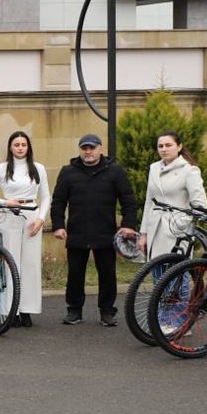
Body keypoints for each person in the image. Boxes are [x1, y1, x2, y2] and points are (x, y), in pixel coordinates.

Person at [49, 133, 137, 328]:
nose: (88, 152)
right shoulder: (68, 172)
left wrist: (128, 225)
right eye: (84, 148)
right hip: (77, 232)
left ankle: (107, 312)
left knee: (107, 275)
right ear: (80, 150)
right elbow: (58, 201)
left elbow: (128, 200)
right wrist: (58, 226)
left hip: (105, 233)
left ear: (100, 149)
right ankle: (74, 310)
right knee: (75, 274)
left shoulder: (115, 171)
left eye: (92, 148)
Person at [0, 131, 51, 327]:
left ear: (28, 147)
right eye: (16, 144)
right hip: (9, 215)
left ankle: (27, 309)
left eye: (23, 144)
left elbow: (46, 196)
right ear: (10, 147)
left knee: (31, 264)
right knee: (10, 263)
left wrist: (41, 218)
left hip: (31, 216)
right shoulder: (0, 168)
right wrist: (5, 202)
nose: (20, 148)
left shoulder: (38, 168)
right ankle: (11, 310)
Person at [137, 132, 207, 263]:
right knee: (157, 271)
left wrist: (182, 223)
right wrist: (144, 233)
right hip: (155, 229)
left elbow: (200, 205)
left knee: (177, 271)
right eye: (160, 146)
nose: (164, 149)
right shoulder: (154, 168)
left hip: (177, 232)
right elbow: (149, 202)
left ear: (179, 147)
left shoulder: (189, 170)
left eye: (168, 145)